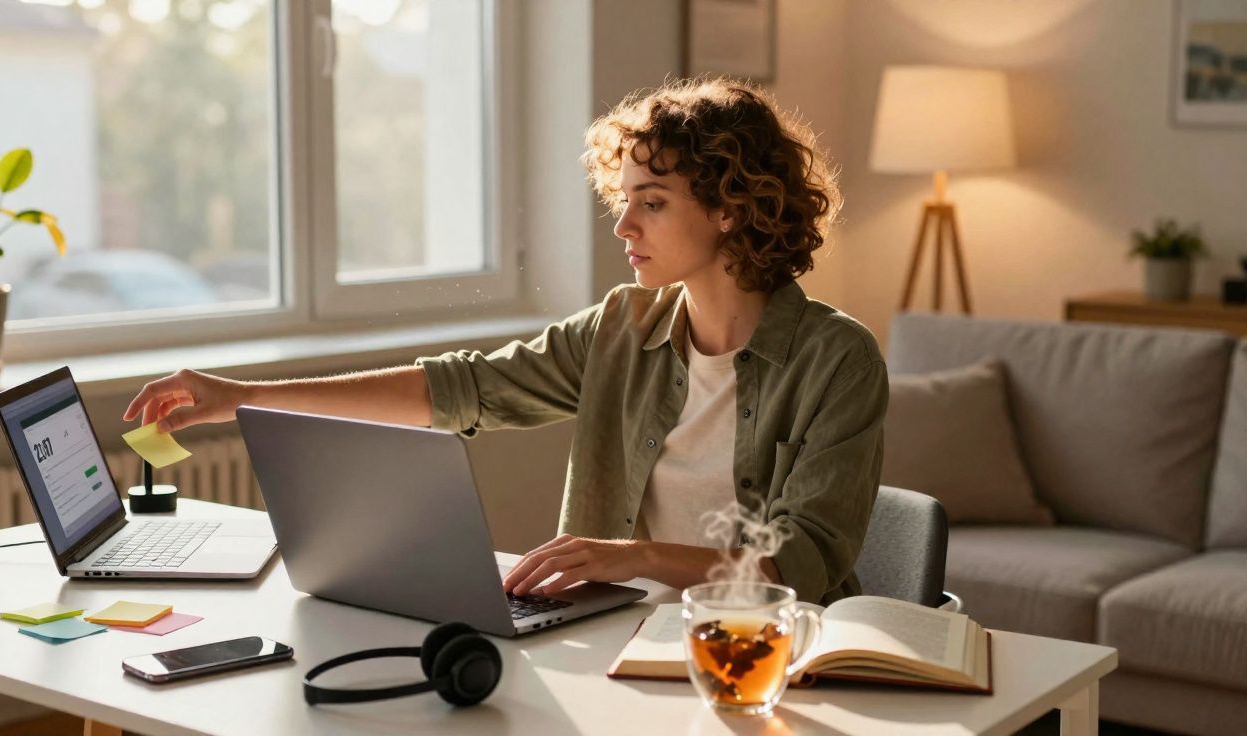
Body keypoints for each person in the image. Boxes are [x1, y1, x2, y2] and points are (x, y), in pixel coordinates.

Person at [124, 77, 887, 605]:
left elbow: (801, 566)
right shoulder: (623, 327)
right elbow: (459, 389)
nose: (623, 227)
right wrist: (245, 396)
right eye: (623, 202)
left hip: (767, 652)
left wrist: (638, 558)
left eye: (652, 204)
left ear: (729, 207)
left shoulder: (836, 360)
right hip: (618, 637)